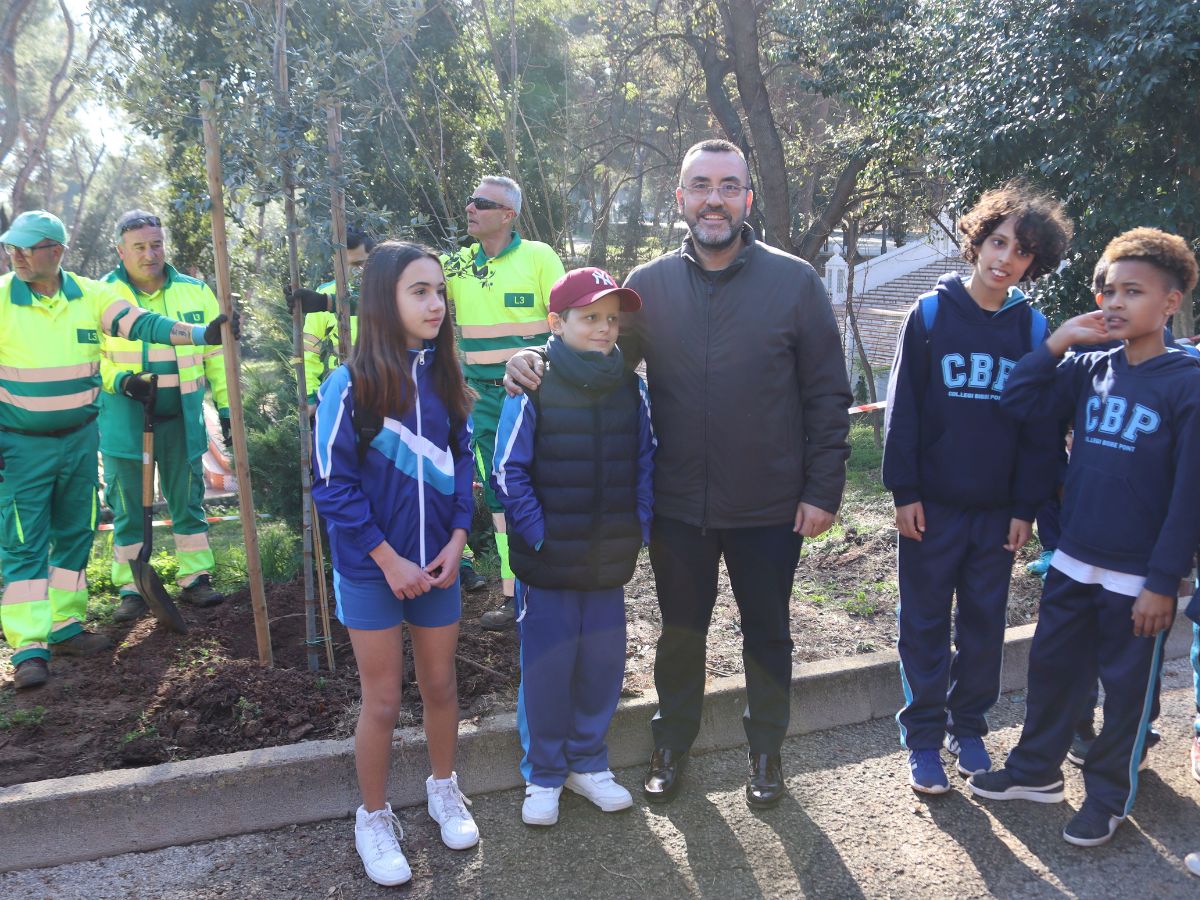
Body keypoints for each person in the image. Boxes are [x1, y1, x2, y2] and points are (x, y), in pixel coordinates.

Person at [507, 139, 853, 808]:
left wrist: (823, 489)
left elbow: (827, 395)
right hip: (675, 504)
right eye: (700, 186)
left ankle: (766, 753)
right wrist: (534, 357)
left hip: (769, 503)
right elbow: (597, 358)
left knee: (768, 631)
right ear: (680, 200)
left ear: (747, 199)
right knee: (681, 633)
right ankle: (671, 747)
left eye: (728, 186)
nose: (714, 199)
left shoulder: (795, 281)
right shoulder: (649, 285)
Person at [969, 227, 1200, 848]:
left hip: (1137, 576)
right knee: (1052, 671)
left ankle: (1107, 795)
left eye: (1133, 291)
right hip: (1074, 558)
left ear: (1170, 303)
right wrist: (1056, 344)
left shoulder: (1189, 382)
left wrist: (1162, 581)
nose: (1114, 302)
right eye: (1107, 290)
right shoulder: (1091, 366)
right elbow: (1019, 402)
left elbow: (1190, 496)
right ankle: (1034, 771)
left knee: (1126, 693)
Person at [882, 183, 1070, 794]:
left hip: (997, 515)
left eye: (1021, 252)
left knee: (985, 624)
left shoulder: (1033, 329)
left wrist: (1027, 508)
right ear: (977, 240)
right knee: (926, 623)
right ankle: (925, 740)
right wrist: (903, 490)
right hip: (931, 508)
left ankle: (970, 728)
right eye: (998, 241)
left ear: (1033, 265)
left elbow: (1041, 431)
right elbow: (902, 411)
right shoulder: (930, 315)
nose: (1005, 258)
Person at [0, 210, 236, 690]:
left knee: (75, 532)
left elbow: (142, 323)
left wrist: (200, 334)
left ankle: (65, 626)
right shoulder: (3, 298)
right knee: (24, 541)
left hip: (80, 441)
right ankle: (28, 647)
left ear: (56, 251)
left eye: (29, 247)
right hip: (21, 446)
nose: (17, 256)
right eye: (13, 247)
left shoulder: (89, 295)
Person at [311, 241, 479, 887]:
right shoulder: (349, 384)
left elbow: (465, 463)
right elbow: (332, 485)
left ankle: (444, 788)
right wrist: (387, 560)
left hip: (437, 566)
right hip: (370, 571)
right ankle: (374, 818)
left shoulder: (446, 378)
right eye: (419, 291)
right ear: (385, 298)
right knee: (381, 701)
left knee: (440, 688)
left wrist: (459, 535)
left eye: (439, 291)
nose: (436, 303)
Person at [492, 266, 654, 826]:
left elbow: (644, 465)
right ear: (557, 323)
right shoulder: (532, 383)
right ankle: (543, 774)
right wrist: (541, 535)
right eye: (590, 318)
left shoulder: (631, 389)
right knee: (548, 668)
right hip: (549, 562)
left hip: (609, 557)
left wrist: (638, 529)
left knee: (602, 665)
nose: (604, 329)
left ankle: (588, 762)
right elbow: (508, 472)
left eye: (612, 319)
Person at [443, 177, 565, 628]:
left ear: (508, 215)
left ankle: (553, 584)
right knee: (499, 494)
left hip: (536, 395)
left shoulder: (538, 257)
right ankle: (515, 596)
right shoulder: (457, 265)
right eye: (469, 199)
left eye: (481, 203)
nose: (469, 207)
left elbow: (564, 322)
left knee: (543, 484)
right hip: (483, 399)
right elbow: (410, 293)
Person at [99, 209, 231, 622]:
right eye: (139, 247)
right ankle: (131, 586)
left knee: (187, 498)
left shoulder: (195, 292)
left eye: (155, 244)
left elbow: (216, 355)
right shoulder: (100, 296)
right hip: (125, 414)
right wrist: (121, 381)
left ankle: (195, 577)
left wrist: (227, 408)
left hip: (181, 415)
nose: (149, 254)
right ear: (121, 251)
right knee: (126, 505)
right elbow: (86, 359)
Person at [300, 225, 375, 406]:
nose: (353, 271)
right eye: (346, 265)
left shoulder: (388, 291)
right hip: (343, 391)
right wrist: (310, 396)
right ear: (335, 261)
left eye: (359, 264)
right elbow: (309, 350)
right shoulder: (323, 294)